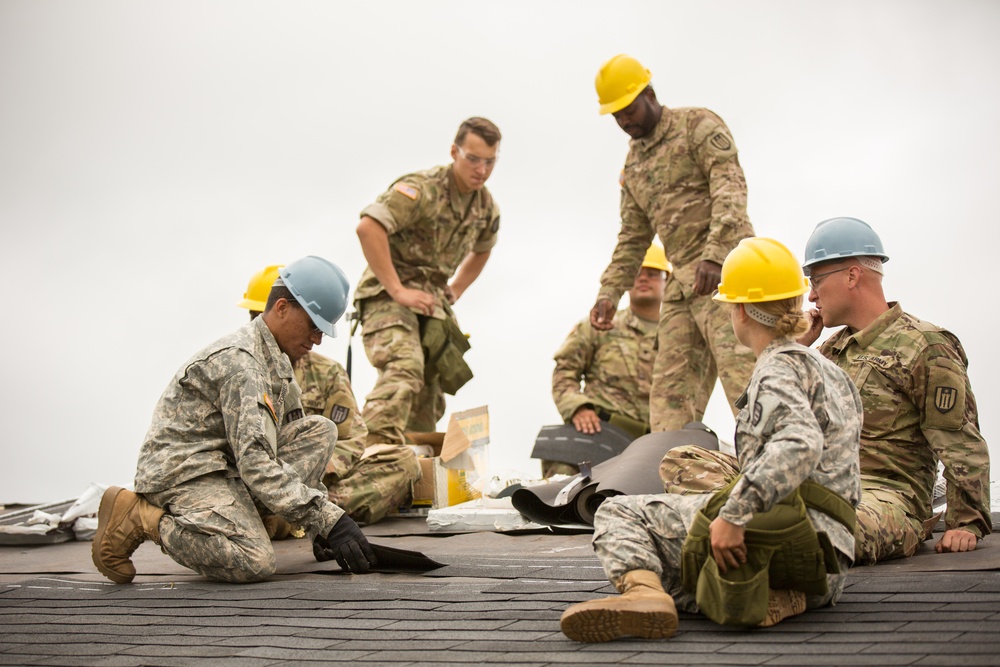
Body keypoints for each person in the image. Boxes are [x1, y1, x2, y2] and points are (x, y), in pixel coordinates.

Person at [560, 237, 862, 642]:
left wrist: (733, 516)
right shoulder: (826, 369)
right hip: (830, 560)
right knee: (688, 547)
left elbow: (799, 442)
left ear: (739, 311)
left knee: (620, 514)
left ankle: (647, 596)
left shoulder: (777, 370)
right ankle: (776, 596)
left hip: (791, 540)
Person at [92, 256, 377, 585]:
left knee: (320, 431)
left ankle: (243, 519)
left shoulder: (281, 364)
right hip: (185, 472)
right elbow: (255, 463)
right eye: (314, 325)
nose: (317, 339)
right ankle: (139, 517)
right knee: (254, 559)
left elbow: (282, 450)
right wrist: (328, 518)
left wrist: (320, 528)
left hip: (226, 468)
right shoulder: (241, 362)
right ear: (282, 308)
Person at [799, 216, 991, 564]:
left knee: (820, 531)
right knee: (684, 461)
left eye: (816, 280)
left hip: (886, 501)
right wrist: (789, 351)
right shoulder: (828, 350)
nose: (811, 295)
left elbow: (960, 441)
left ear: (852, 276)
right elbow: (771, 421)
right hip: (818, 487)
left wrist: (966, 523)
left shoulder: (925, 346)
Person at [588, 54, 756, 432]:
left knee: (747, 381)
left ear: (649, 94)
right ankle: (674, 480)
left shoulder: (697, 125)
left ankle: (777, 473)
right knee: (669, 396)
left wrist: (715, 256)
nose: (624, 121)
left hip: (731, 274)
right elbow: (632, 238)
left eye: (628, 110)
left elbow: (730, 189)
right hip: (682, 284)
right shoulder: (633, 167)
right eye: (616, 116)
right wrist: (609, 293)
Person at [355, 117, 501, 446]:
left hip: (431, 304)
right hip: (387, 295)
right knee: (404, 368)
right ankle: (364, 455)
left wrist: (457, 288)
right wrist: (397, 290)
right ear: (454, 152)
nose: (481, 169)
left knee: (427, 390)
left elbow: (484, 249)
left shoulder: (485, 207)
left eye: (490, 162)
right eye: (473, 159)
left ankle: (404, 474)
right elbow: (369, 228)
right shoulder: (422, 189)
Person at [238, 265, 420, 526]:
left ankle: (298, 517)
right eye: (257, 315)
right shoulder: (238, 365)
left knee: (403, 461)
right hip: (256, 484)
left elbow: (353, 437)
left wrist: (322, 467)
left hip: (316, 481)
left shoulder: (327, 373)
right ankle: (296, 516)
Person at [543, 243, 670, 477]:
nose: (643, 279)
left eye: (652, 274)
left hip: (654, 445)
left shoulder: (679, 338)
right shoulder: (599, 326)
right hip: (600, 436)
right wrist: (577, 408)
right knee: (561, 481)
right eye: (637, 274)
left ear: (668, 281)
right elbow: (564, 371)